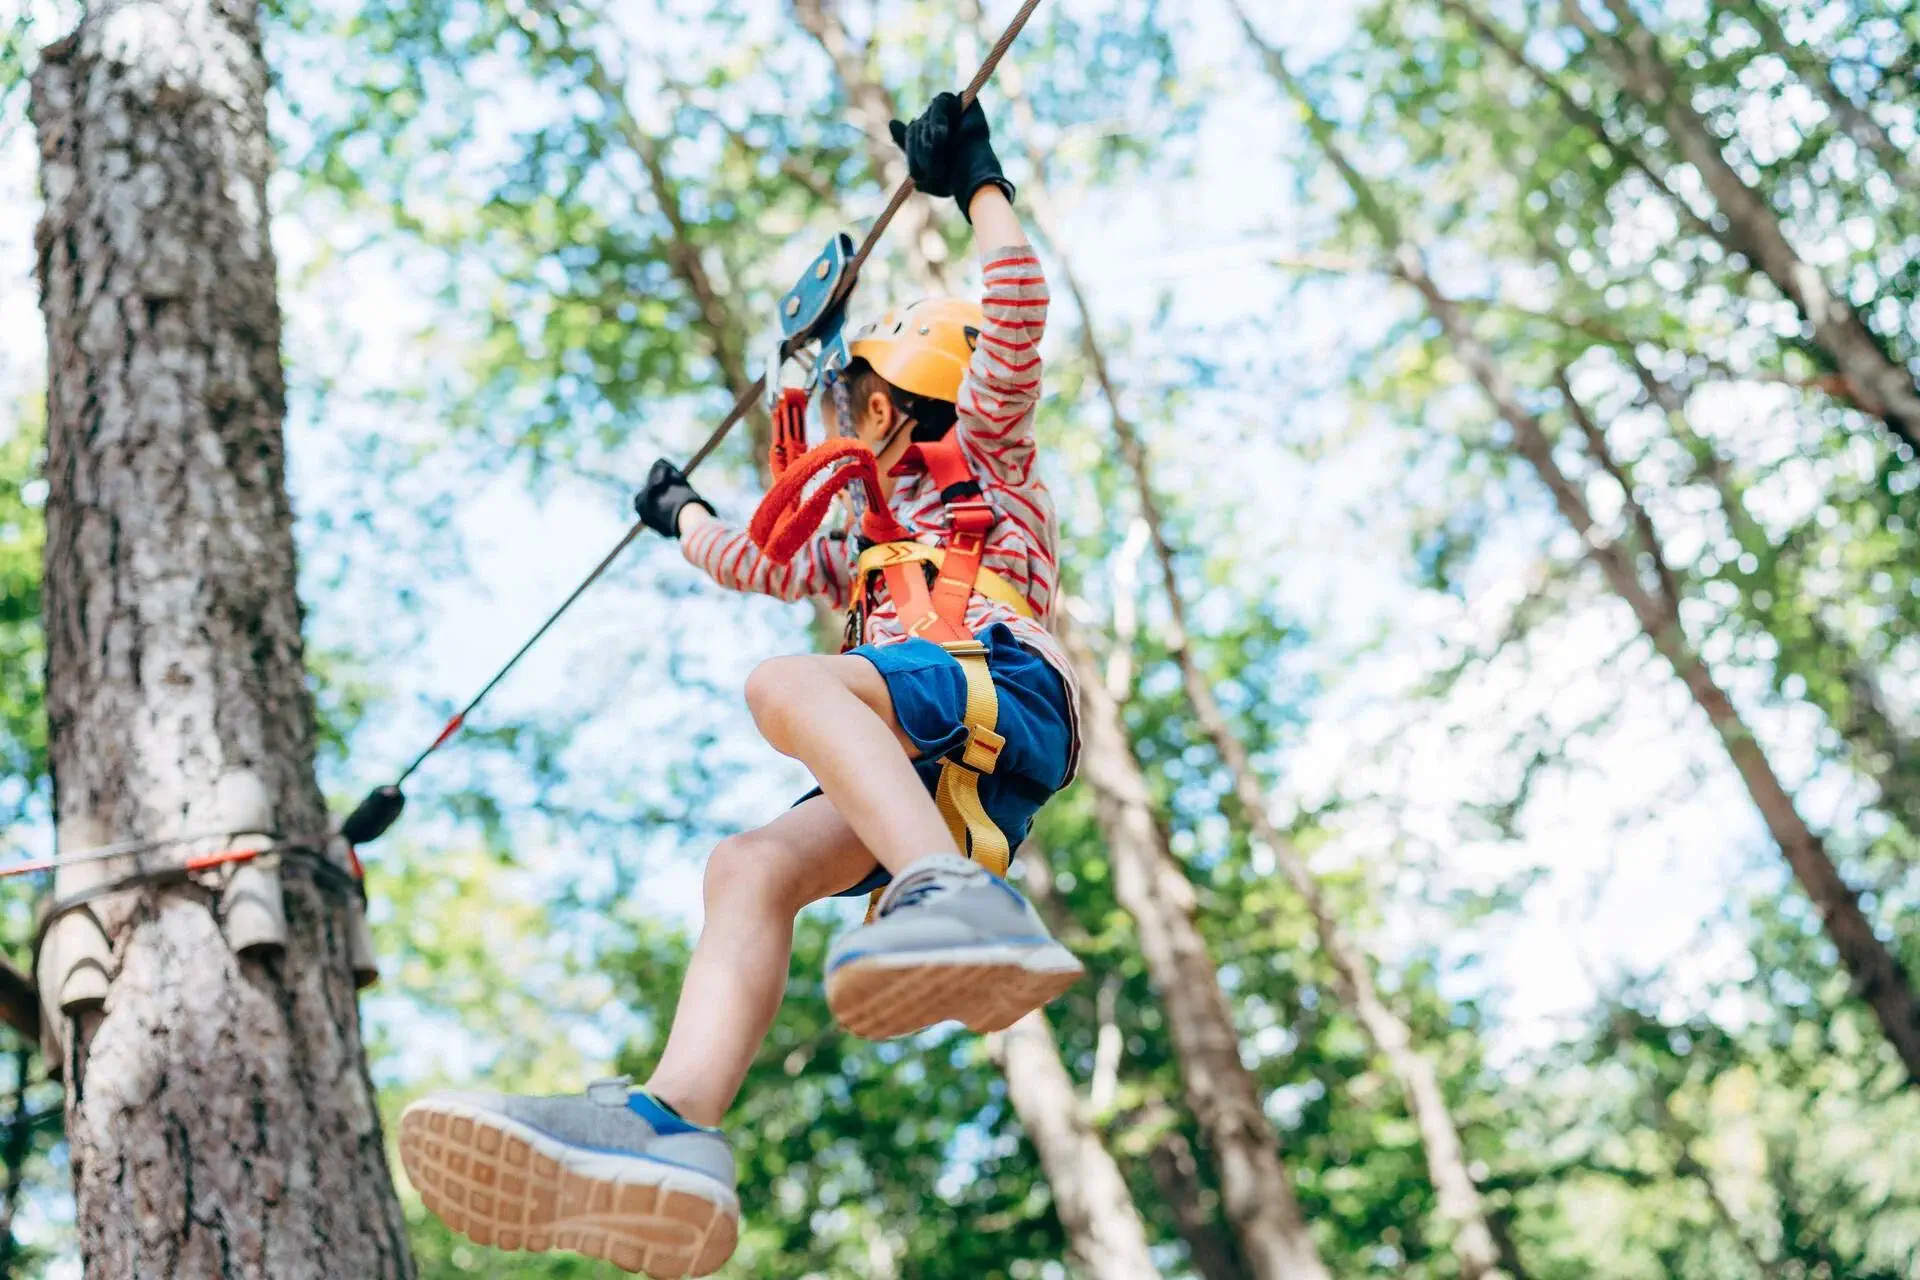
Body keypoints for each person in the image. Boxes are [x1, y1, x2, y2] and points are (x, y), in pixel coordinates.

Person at [398, 92, 1081, 1279]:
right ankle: (673, 1124)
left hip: (999, 683)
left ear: (900, 397)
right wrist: (684, 515)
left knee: (791, 685)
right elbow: (763, 558)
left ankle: (939, 893)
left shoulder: (991, 459)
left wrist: (978, 180)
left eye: (860, 402)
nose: (848, 424)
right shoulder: (861, 544)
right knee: (747, 865)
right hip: (927, 751)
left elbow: (1014, 314)